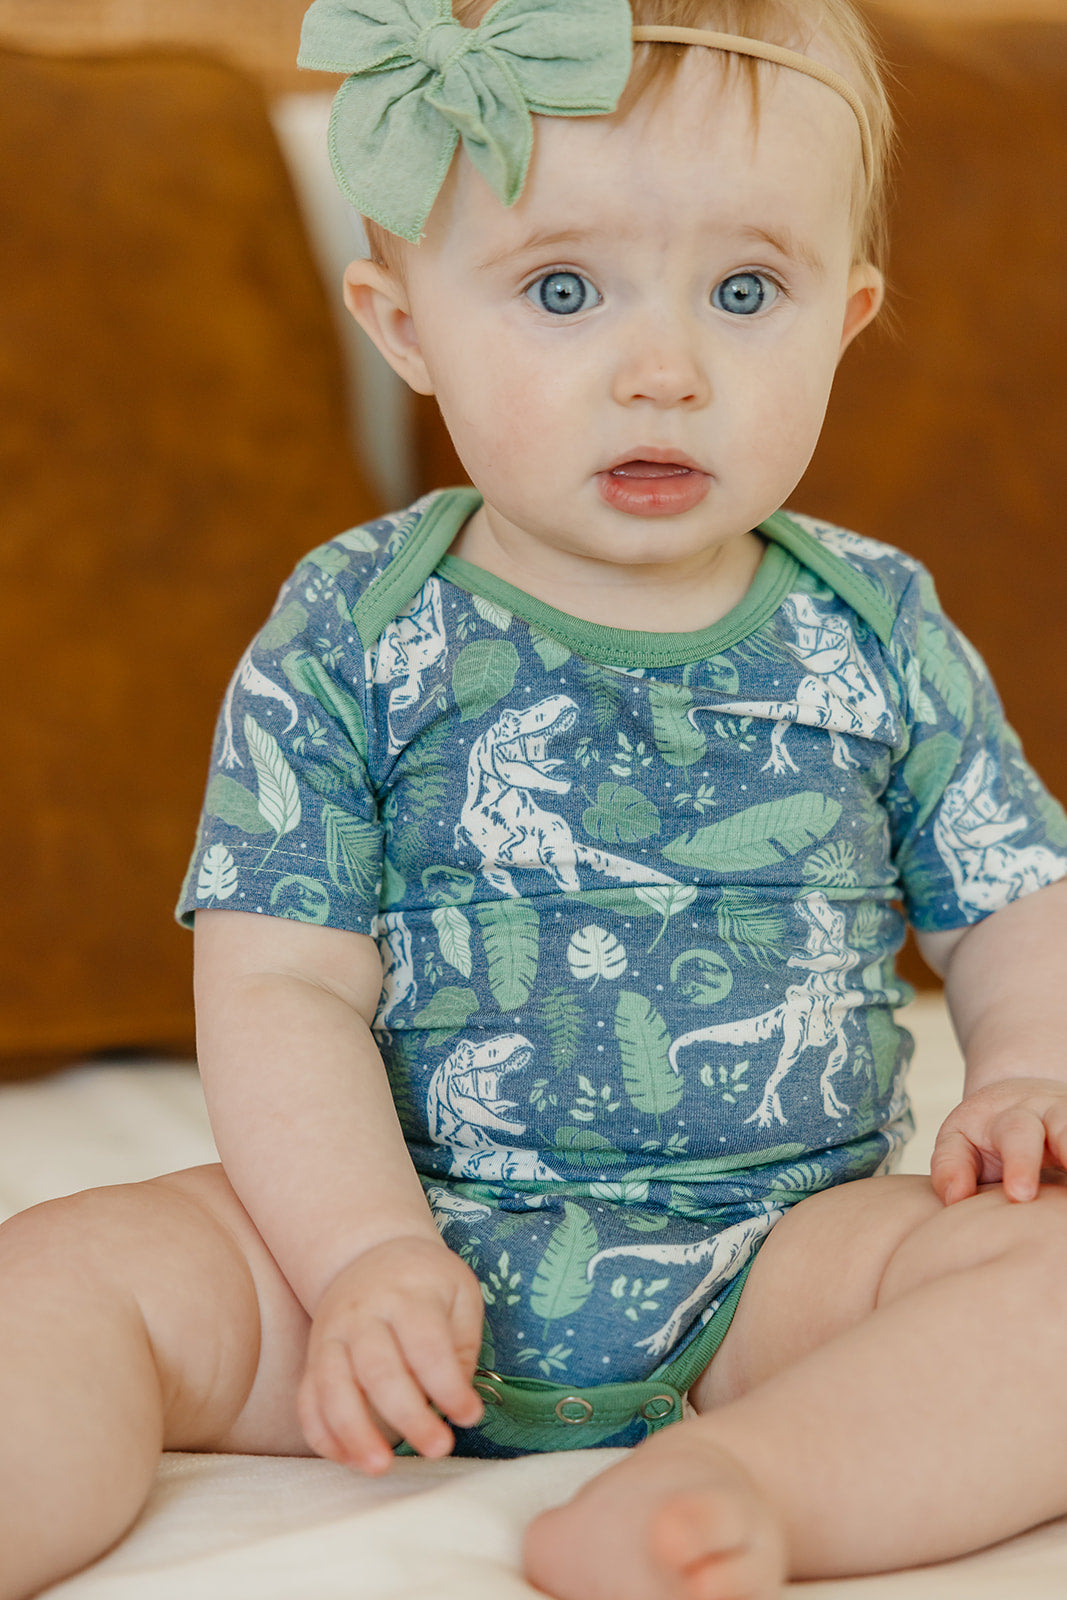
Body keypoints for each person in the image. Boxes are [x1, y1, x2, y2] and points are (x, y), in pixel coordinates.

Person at [4, 2, 1067, 1597]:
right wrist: (364, 1255)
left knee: (1048, 1282)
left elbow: (1013, 897)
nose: (665, 372)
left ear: (846, 320)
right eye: (563, 289)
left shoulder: (877, 625)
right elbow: (283, 982)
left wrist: (1030, 1070)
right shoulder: (356, 625)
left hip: (773, 1264)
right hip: (385, 1240)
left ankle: (746, 1490)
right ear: (406, 327)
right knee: (64, 1275)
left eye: (745, 291)